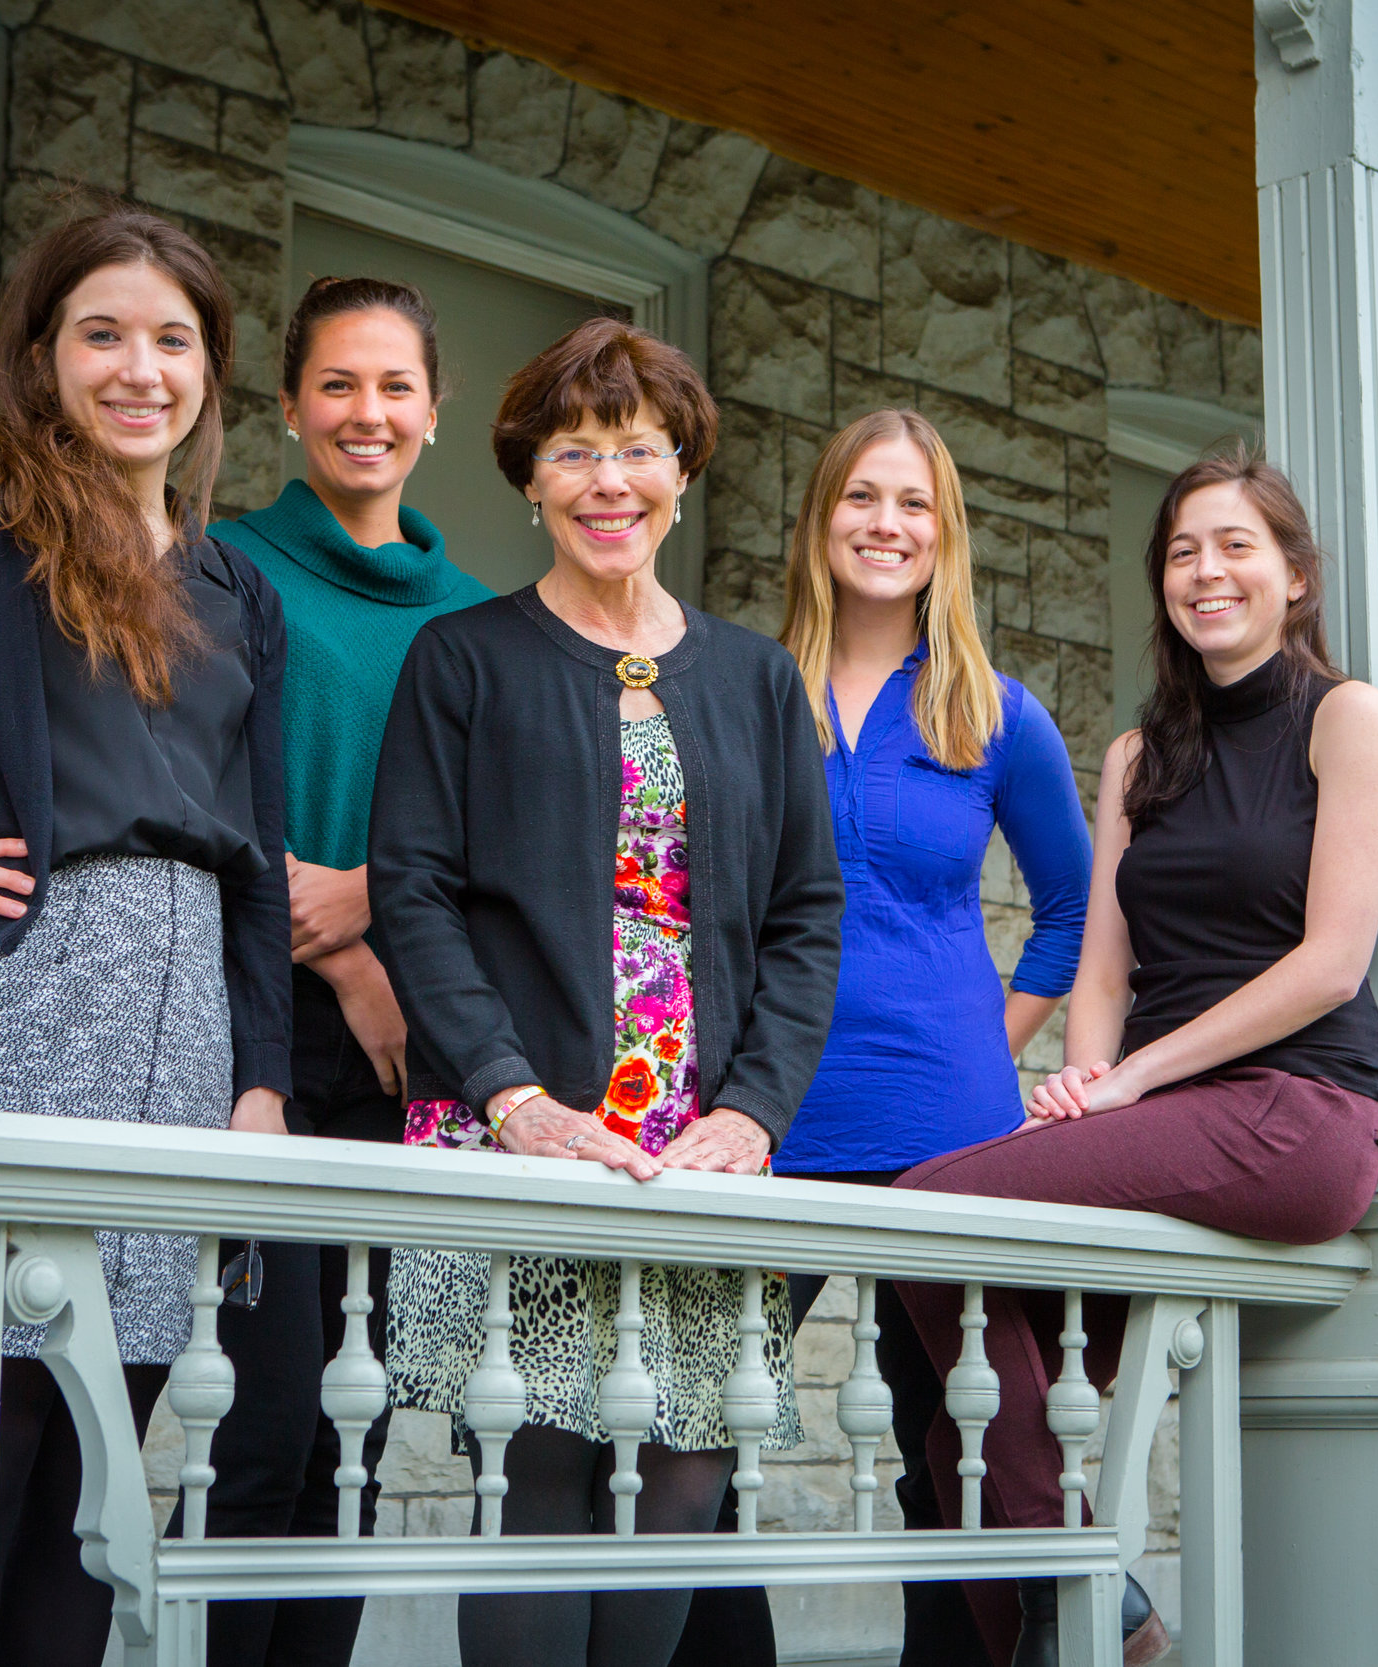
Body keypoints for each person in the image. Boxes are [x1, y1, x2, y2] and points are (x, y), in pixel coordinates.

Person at [0, 208, 295, 1667]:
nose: (139, 368)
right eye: (103, 334)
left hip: (187, 1025)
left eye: (172, 339)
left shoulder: (235, 586)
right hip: (23, 995)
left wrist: (261, 1078)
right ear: (44, 355)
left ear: (209, 369)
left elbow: (259, 859)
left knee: (104, 1461)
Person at [370, 317, 846, 1667]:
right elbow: (414, 894)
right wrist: (512, 1096)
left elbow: (810, 913)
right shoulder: (462, 661)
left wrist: (754, 1109)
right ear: (529, 478)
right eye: (575, 451)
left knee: (684, 1483)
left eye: (638, 448)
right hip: (526, 1136)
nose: (607, 480)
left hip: (700, 1153)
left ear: (682, 470)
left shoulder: (756, 678)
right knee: (536, 1477)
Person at [897, 447, 1378, 1667]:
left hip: (1296, 1112)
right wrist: (1078, 1086)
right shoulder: (1137, 755)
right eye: (1181, 550)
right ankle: (1068, 1617)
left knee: (923, 1210)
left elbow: (1331, 963)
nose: (1206, 570)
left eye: (1236, 545)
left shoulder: (1346, 717)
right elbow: (1106, 971)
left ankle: (1088, 1595)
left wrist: (1130, 1077)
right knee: (961, 1409)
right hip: (1158, 1116)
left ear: (1293, 574)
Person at [672, 409, 1091, 1667]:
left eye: (913, 505)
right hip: (767, 1114)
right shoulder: (741, 687)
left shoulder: (996, 712)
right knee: (695, 1433)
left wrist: (993, 1032)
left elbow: (1071, 905)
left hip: (947, 1131)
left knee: (947, 1454)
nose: (885, 524)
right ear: (820, 520)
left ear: (943, 534)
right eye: (862, 497)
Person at [191, 275, 493, 1667]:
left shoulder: (485, 619)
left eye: (394, 388)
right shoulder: (225, 562)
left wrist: (371, 921)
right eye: (337, 384)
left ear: (433, 416)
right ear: (291, 404)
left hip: (403, 1053)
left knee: (352, 1429)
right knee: (257, 1430)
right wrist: (339, 942)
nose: (366, 412)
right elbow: (191, 785)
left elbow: (509, 848)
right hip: (251, 1033)